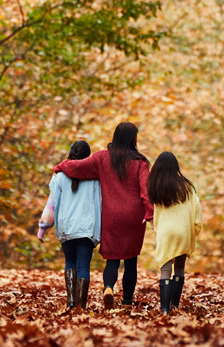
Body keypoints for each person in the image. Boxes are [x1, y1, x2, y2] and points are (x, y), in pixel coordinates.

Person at [55, 122, 153, 309]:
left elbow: (77, 167)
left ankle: (108, 288)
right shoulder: (141, 162)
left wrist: (61, 166)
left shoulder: (101, 158)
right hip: (134, 217)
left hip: (111, 216)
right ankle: (127, 301)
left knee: (112, 258)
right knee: (131, 260)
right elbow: (145, 190)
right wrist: (150, 211)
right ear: (133, 139)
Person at [38, 141, 102, 311]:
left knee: (70, 262)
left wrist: (43, 227)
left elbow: (51, 203)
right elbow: (102, 203)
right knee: (83, 266)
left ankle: (71, 301)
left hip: (66, 227)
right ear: (89, 157)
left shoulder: (59, 176)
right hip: (87, 229)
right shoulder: (96, 177)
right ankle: (81, 306)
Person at [147, 151, 202, 314]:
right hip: (183, 231)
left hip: (166, 232)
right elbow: (197, 211)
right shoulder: (187, 186)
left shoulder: (156, 187)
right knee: (179, 268)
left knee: (165, 270)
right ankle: (174, 306)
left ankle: (164, 309)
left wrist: (159, 229)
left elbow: (156, 214)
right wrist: (194, 228)